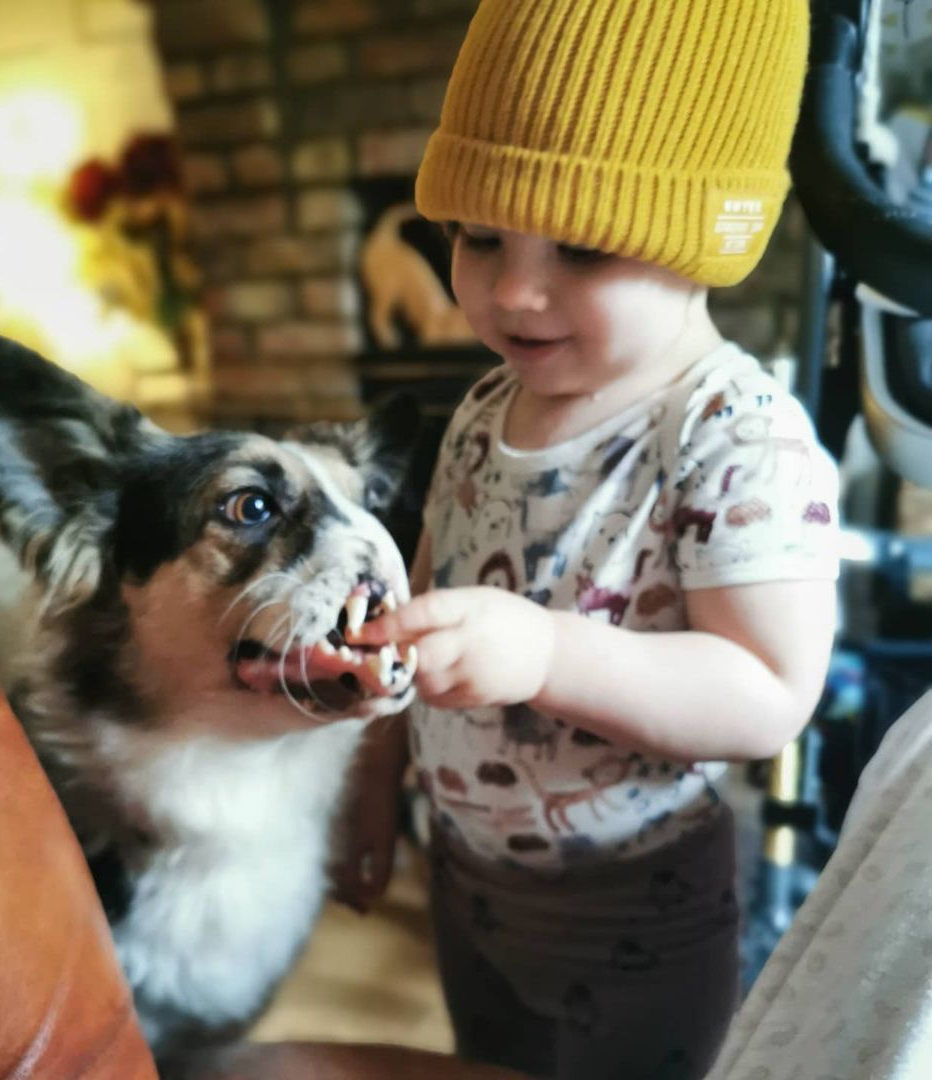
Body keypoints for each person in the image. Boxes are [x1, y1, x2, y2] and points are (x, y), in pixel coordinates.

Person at [333, 1, 840, 1077]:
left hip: (635, 909)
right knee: (492, 1059)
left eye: (585, 245)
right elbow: (424, 589)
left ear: (711, 240)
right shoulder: (481, 406)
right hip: (468, 876)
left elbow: (767, 692)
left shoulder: (734, 437)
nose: (515, 291)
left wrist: (548, 653)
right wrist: (372, 773)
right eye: (478, 237)